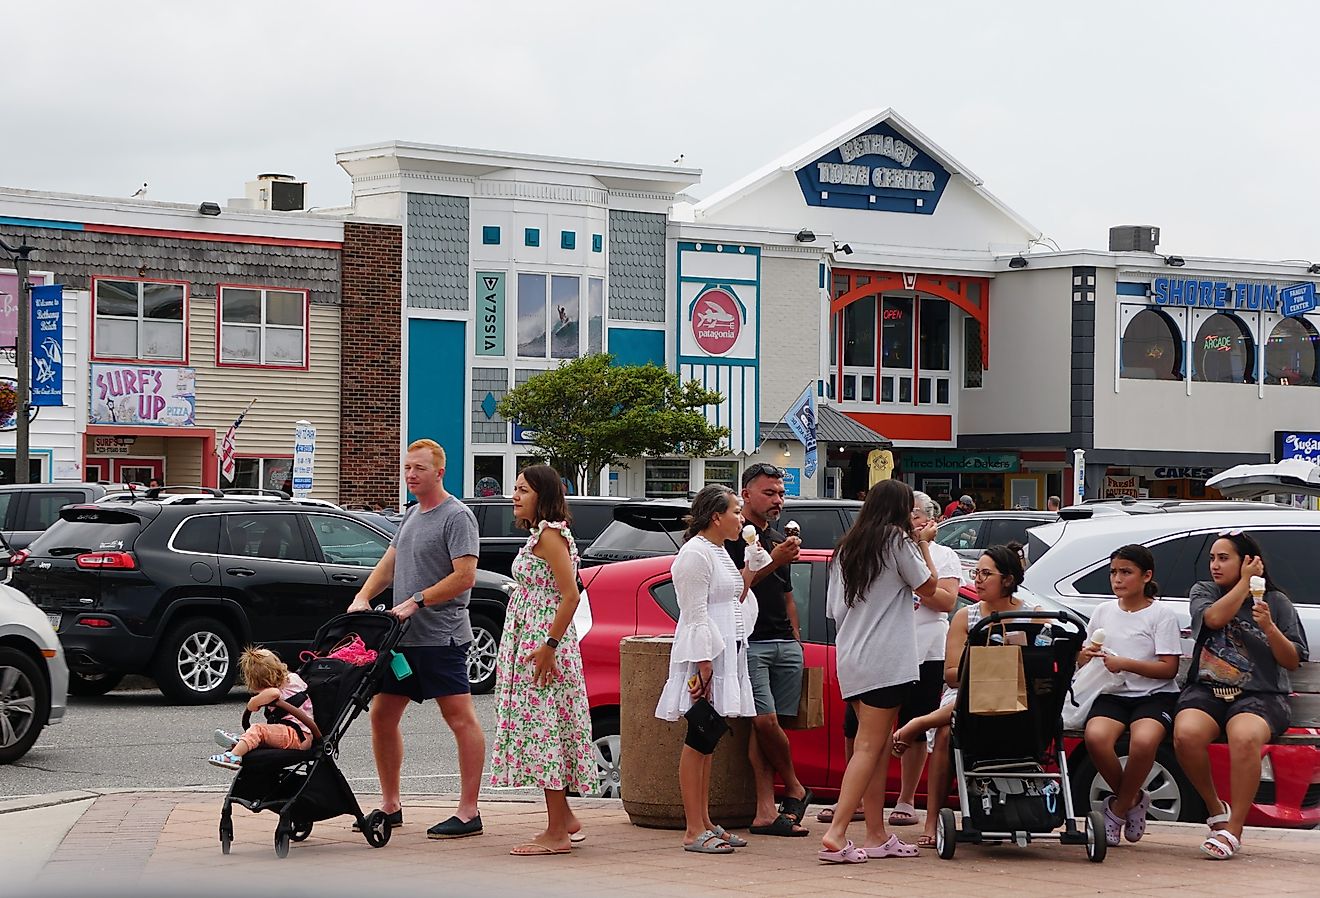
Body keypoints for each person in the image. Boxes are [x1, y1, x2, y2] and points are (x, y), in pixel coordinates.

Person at [348, 438, 486, 840]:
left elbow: (465, 576)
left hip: (440, 637)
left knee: (459, 719)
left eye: (419, 469)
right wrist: (362, 596)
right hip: (400, 641)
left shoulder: (457, 516)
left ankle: (468, 811)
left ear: (439, 472)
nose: (411, 475)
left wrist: (418, 600)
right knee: (382, 715)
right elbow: (390, 564)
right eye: (408, 468)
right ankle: (390, 805)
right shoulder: (410, 515)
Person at [819, 480, 937, 864]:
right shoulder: (896, 541)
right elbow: (930, 586)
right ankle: (837, 832)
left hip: (850, 655)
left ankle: (875, 834)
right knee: (870, 747)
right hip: (886, 659)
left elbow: (833, 610)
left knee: (877, 746)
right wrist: (923, 543)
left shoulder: (845, 548)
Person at [1173, 531, 1309, 860]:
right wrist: (1244, 584)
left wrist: (1270, 628)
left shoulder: (1276, 602)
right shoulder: (1204, 591)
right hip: (1206, 690)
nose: (1215, 565)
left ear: (1247, 560)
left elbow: (1291, 660)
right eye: (1212, 559)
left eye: (1224, 558)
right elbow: (1215, 619)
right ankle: (1215, 808)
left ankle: (1234, 829)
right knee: (1186, 735)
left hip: (1261, 694)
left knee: (1244, 737)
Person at [891, 542, 1036, 848]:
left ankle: (919, 723)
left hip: (1019, 699)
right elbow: (952, 675)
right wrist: (988, 666)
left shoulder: (1033, 616)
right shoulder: (966, 617)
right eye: (975, 572)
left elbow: (1051, 665)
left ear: (1008, 580)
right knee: (945, 732)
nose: (977, 580)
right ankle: (932, 821)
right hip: (967, 695)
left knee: (991, 693)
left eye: (986, 573)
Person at [488, 465, 597, 856]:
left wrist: (549, 645)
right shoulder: (540, 534)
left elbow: (571, 594)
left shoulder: (550, 536)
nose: (515, 496)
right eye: (515, 489)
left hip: (543, 643)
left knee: (546, 728)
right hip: (532, 638)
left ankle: (556, 833)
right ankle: (565, 818)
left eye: (523, 490)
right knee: (544, 725)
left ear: (543, 495)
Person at [655, 485, 757, 854]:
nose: (741, 518)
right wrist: (704, 665)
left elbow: (732, 597)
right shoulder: (695, 554)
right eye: (736, 511)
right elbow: (695, 612)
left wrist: (752, 566)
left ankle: (706, 820)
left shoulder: (719, 551)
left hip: (725, 650)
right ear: (716, 516)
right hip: (707, 656)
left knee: (708, 738)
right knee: (698, 737)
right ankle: (692, 827)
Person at [723, 463, 811, 838]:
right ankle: (794, 787)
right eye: (768, 493)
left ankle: (764, 811)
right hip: (751, 642)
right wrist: (777, 559)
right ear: (745, 494)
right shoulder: (730, 536)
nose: (777, 500)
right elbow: (736, 589)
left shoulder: (777, 537)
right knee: (763, 722)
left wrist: (795, 637)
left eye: (780, 493)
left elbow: (786, 594)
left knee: (769, 730)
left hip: (783, 642)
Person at [1078, 545, 1181, 846]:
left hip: (1154, 695)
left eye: (1126, 572)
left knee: (1144, 741)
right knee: (1096, 738)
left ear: (1146, 576)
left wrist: (1125, 663)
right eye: (1113, 572)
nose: (1118, 579)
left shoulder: (1160, 615)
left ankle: (1118, 810)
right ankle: (1134, 798)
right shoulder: (1103, 611)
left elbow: (1168, 669)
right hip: (1113, 692)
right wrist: (1086, 655)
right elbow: (1084, 657)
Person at [209, 647, 314, 769]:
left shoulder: (274, 691)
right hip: (299, 734)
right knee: (261, 733)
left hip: (297, 736)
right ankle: (245, 740)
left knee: (258, 729)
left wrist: (253, 702)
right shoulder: (294, 678)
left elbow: (273, 693)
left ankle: (234, 755)